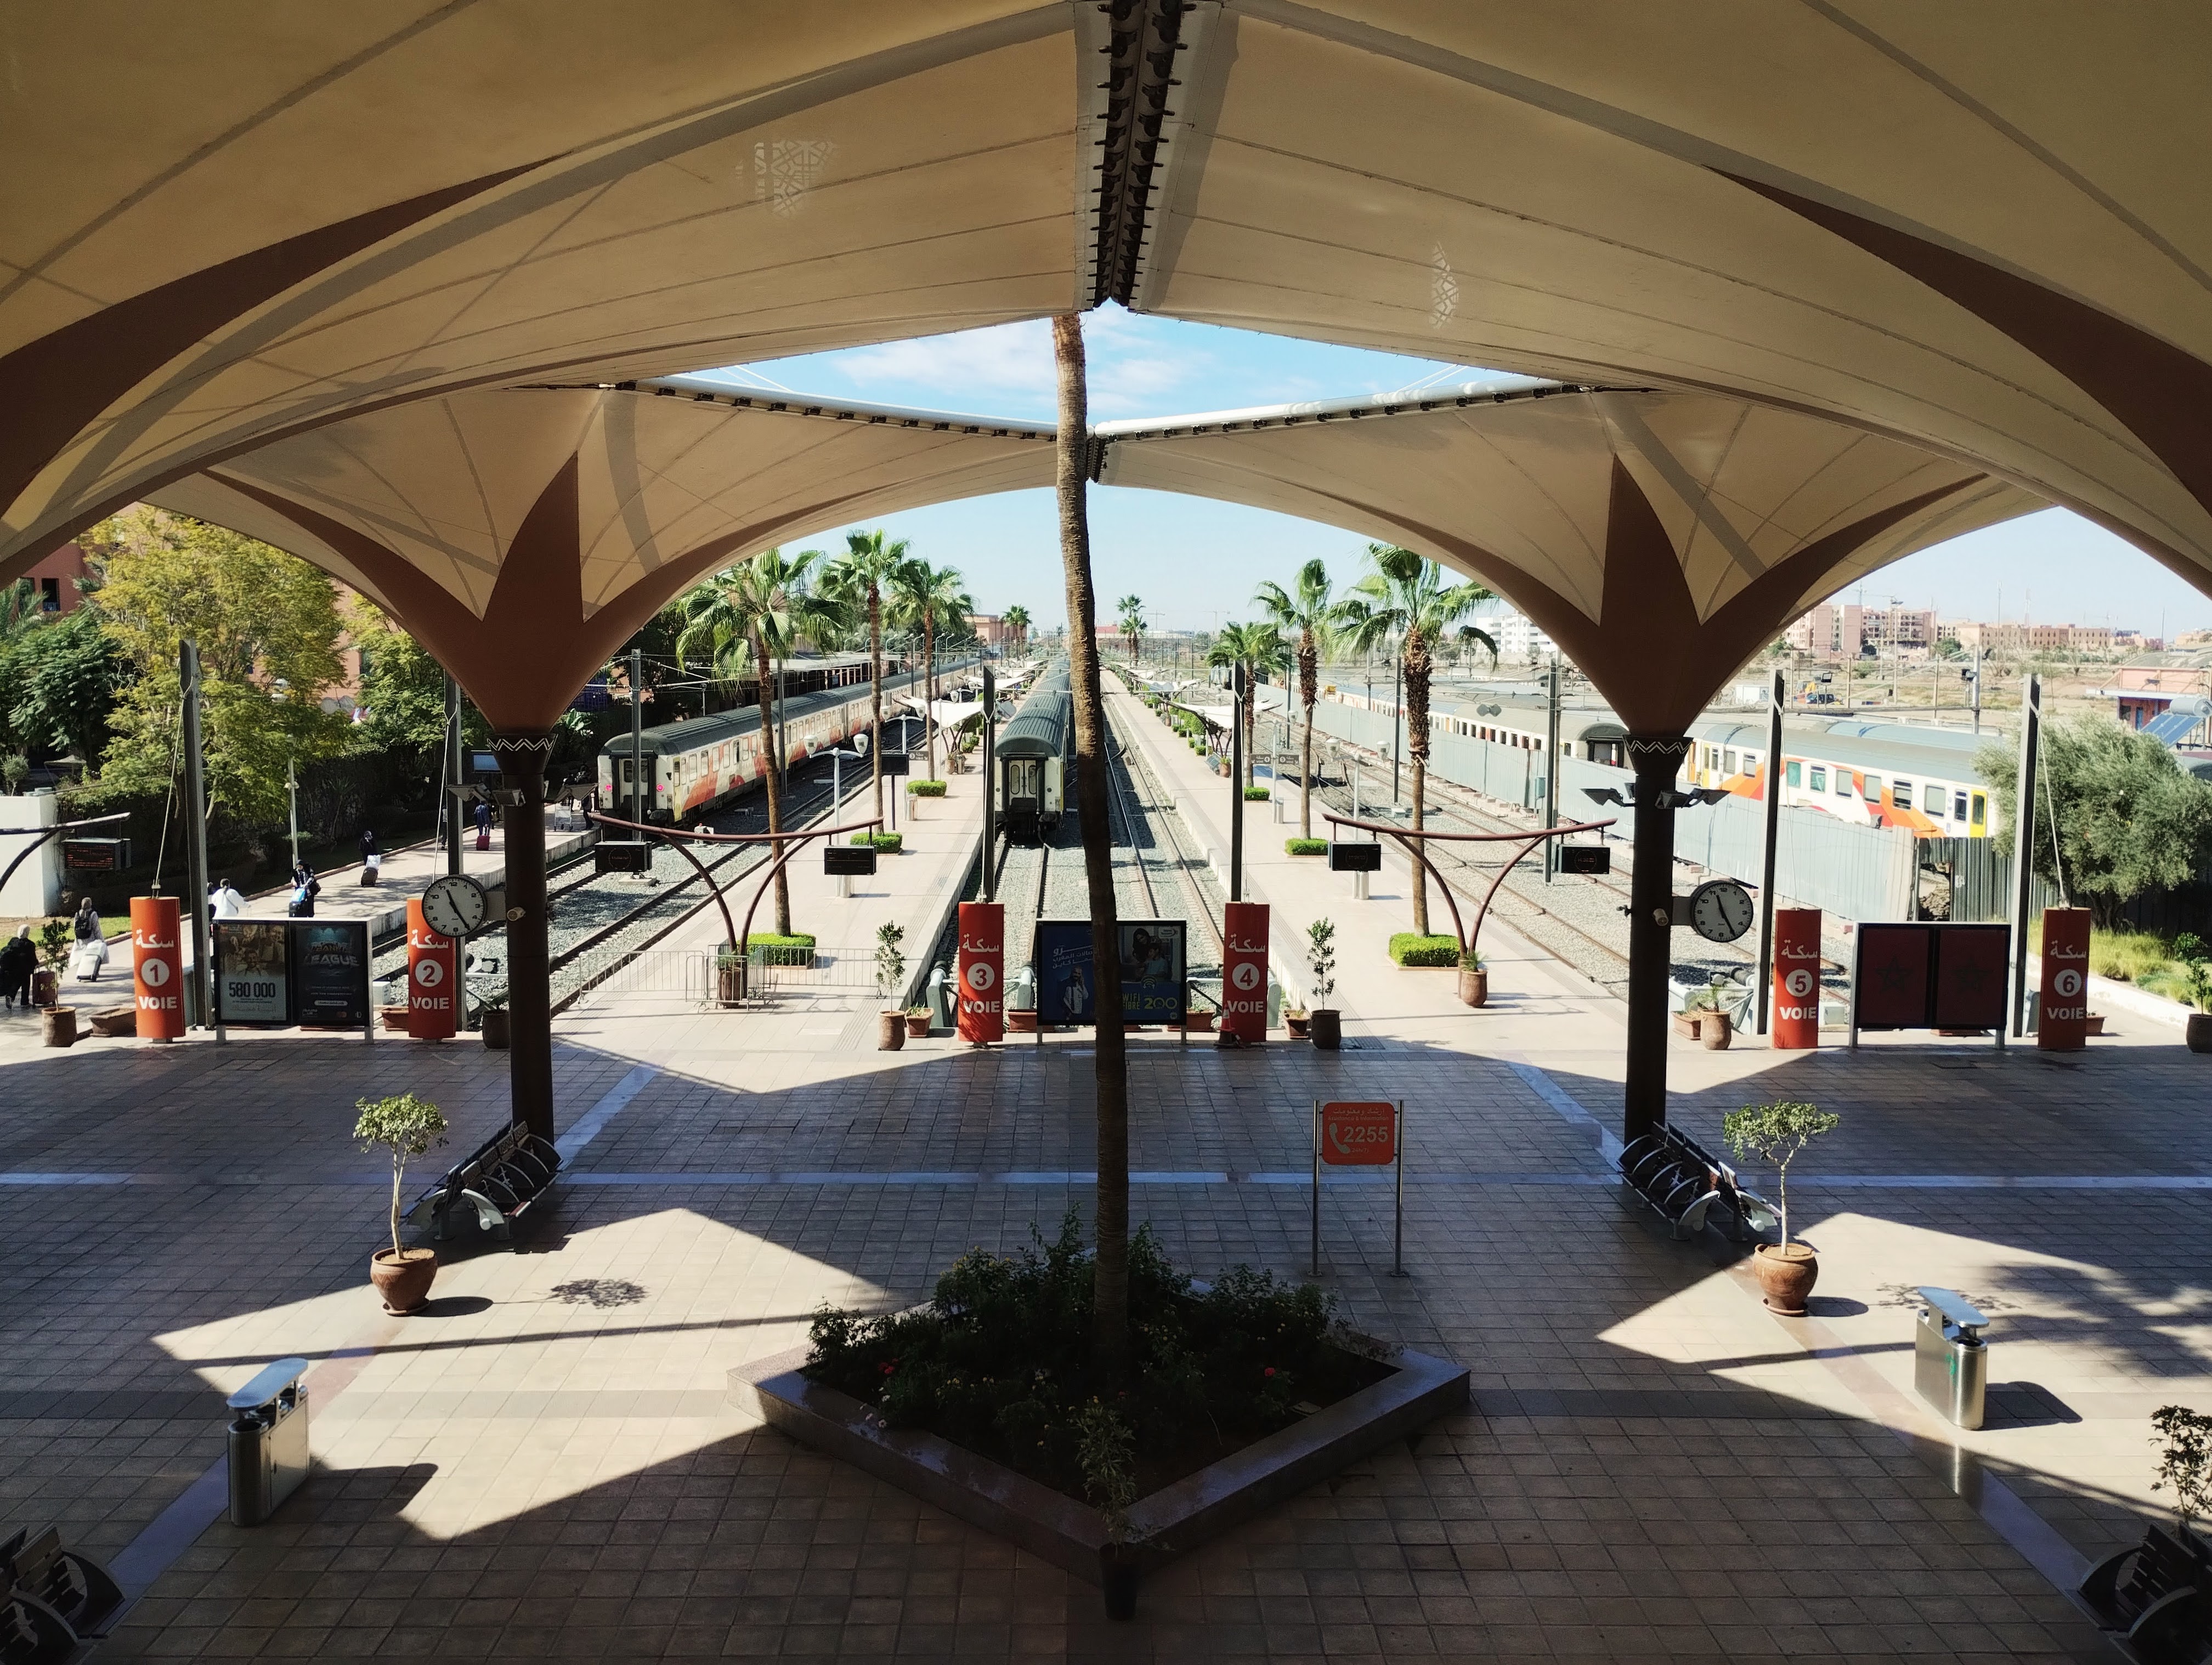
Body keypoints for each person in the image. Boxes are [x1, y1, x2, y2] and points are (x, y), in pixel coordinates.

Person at [0, 927, 35, 1010]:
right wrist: (34, 967)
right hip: (23, 969)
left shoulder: (13, 941)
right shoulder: (29, 944)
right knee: (26, 984)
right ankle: (24, 1003)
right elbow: (32, 958)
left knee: (16, 984)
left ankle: (11, 997)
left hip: (12, 968)